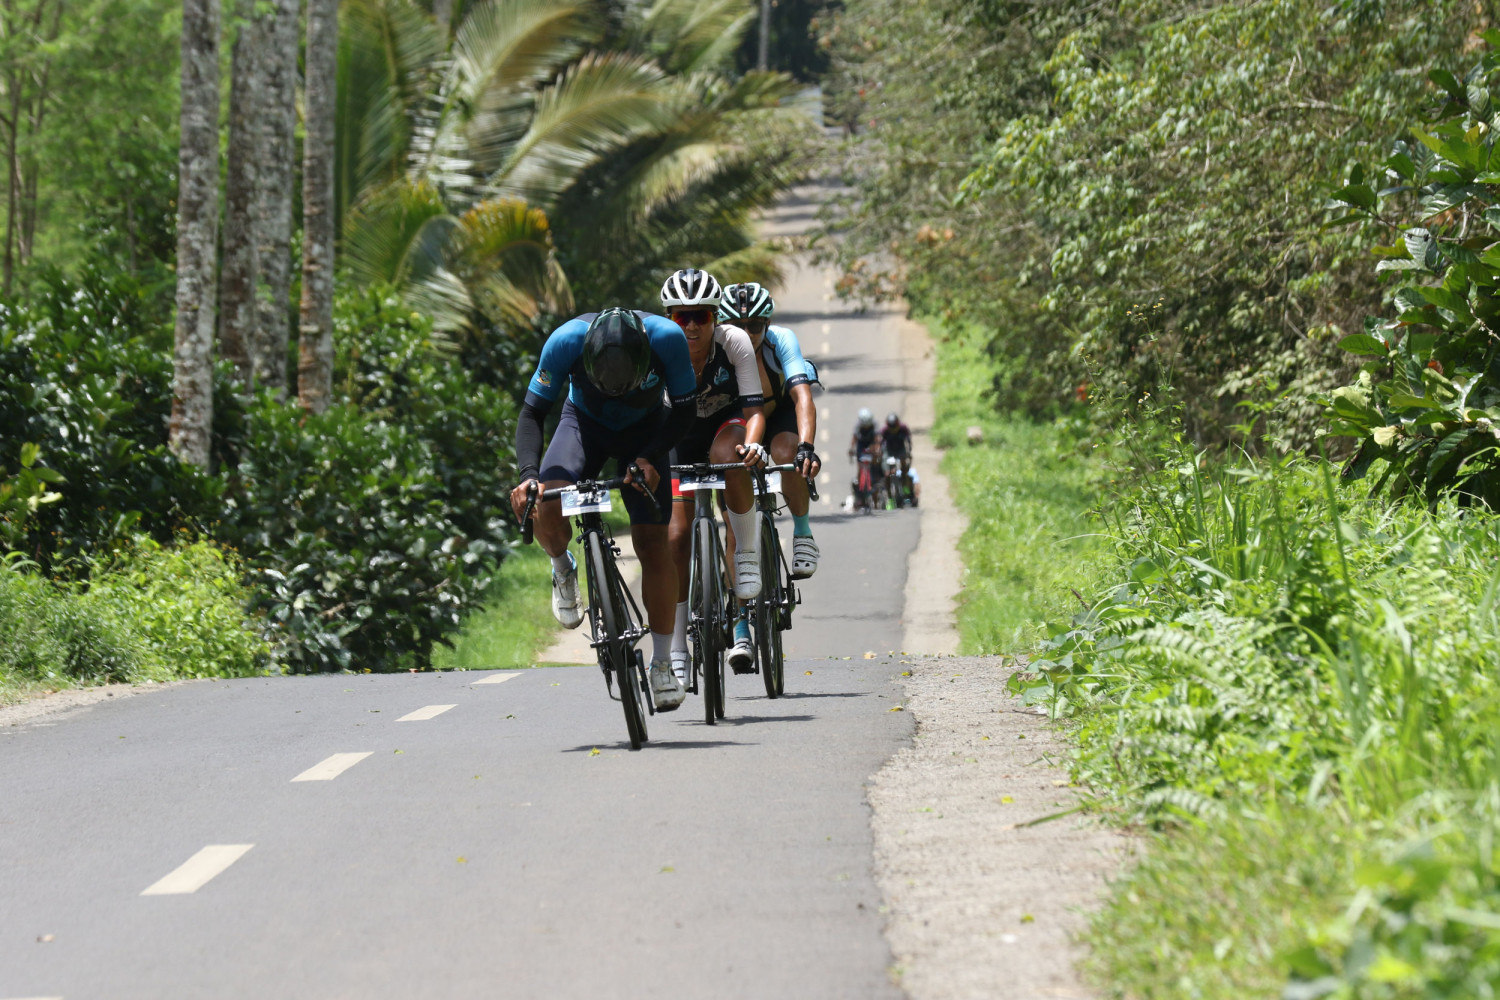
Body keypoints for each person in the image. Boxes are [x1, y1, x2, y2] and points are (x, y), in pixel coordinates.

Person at [509, 307, 697, 711]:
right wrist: (528, 476)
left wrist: (652, 457)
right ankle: (562, 567)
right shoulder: (565, 341)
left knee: (654, 545)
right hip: (583, 424)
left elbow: (685, 410)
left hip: (646, 430)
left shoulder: (668, 338)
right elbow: (532, 413)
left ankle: (663, 663)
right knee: (546, 501)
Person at [658, 268, 768, 679]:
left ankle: (746, 555)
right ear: (668, 318)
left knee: (731, 458)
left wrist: (753, 445)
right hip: (678, 437)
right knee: (675, 536)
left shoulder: (734, 342)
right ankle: (677, 644)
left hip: (726, 429)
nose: (691, 326)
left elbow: (754, 410)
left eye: (700, 316)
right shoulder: (656, 349)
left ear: (715, 317)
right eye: (681, 317)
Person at [719, 282, 822, 580]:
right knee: (734, 532)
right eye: (736, 326)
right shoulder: (714, 348)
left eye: (754, 326)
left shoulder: (781, 341)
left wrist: (807, 447)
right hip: (736, 422)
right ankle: (737, 609)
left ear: (768, 323)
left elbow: (802, 397)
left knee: (787, 451)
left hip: (777, 414)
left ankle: (803, 533)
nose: (746, 333)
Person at [881, 411, 915, 506]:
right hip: (889, 451)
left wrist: (909, 452)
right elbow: (880, 443)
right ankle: (890, 497)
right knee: (887, 474)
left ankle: (905, 486)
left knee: (904, 466)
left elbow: (908, 441)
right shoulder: (884, 431)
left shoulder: (903, 428)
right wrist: (880, 454)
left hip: (900, 450)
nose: (893, 429)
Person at [849, 408, 881, 507]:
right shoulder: (858, 426)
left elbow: (877, 439)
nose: (866, 428)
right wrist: (852, 449)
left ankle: (875, 479)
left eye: (868, 426)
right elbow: (854, 438)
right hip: (861, 446)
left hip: (871, 444)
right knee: (860, 467)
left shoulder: (874, 425)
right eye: (864, 426)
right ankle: (860, 491)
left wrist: (877, 449)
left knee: (875, 461)